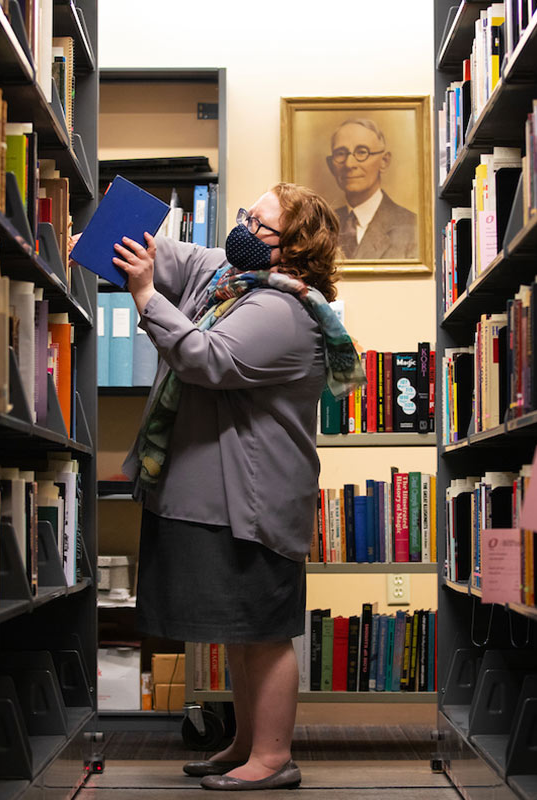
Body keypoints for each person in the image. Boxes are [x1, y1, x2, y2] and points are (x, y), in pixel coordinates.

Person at [80, 182, 363, 791]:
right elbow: (172, 253)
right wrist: (96, 242)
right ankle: (245, 742)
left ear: (291, 249)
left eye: (257, 225)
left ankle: (273, 758)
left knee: (262, 631)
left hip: (254, 499)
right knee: (239, 630)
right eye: (243, 215)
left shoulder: (284, 311)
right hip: (217, 492)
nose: (240, 230)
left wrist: (145, 296)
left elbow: (204, 358)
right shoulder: (233, 276)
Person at [326, 118, 418, 260]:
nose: (349, 164)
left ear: (384, 161)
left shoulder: (413, 227)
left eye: (362, 152)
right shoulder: (322, 227)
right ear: (331, 165)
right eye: (340, 154)